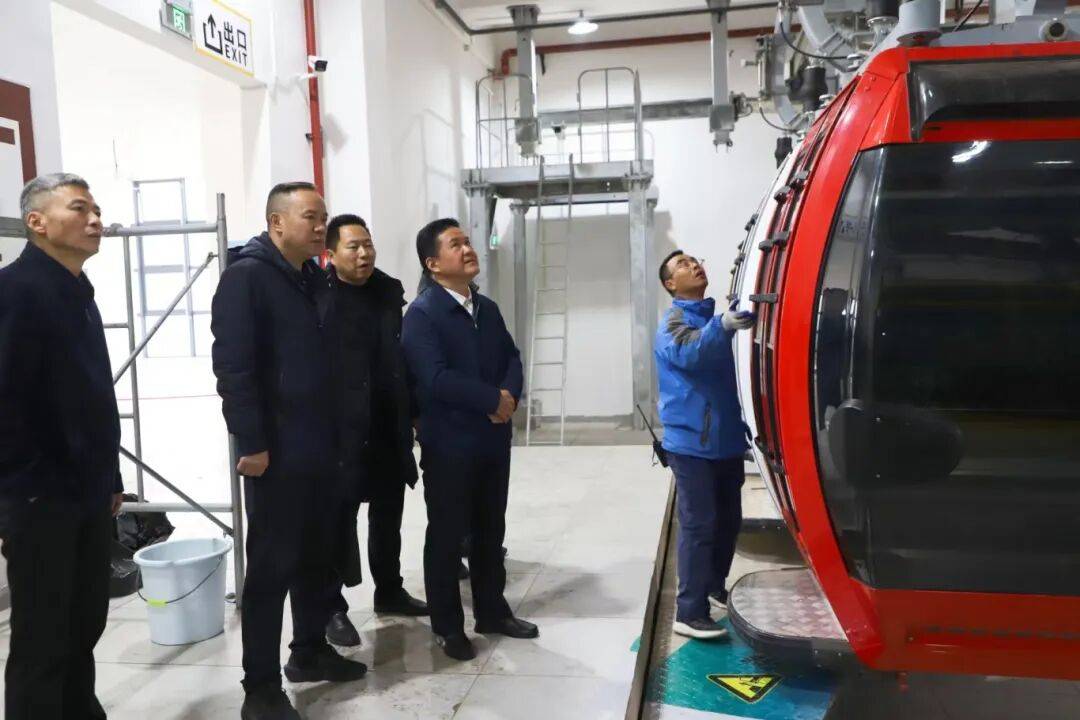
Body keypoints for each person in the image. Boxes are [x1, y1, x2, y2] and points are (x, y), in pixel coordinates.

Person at [211, 182, 366, 720]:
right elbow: (234, 368)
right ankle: (260, 687)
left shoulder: (311, 278)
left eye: (323, 216)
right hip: (277, 452)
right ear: (276, 222)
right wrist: (251, 442)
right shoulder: (246, 278)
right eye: (310, 217)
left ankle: (309, 652)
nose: (321, 226)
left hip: (321, 447)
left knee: (317, 559)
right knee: (271, 570)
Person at [0, 173, 123, 720]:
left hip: (87, 492)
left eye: (96, 210)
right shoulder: (14, 292)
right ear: (37, 222)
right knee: (43, 637)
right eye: (79, 209)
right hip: (40, 496)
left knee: (83, 622)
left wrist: (110, 478)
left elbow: (92, 399)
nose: (95, 220)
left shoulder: (77, 291)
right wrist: (18, 494)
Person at [402, 218, 538, 661]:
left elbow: (512, 357)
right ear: (433, 263)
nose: (467, 249)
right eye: (455, 244)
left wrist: (509, 395)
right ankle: (447, 626)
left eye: (467, 241)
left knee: (490, 529)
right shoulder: (422, 314)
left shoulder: (487, 309)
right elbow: (434, 378)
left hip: (492, 439)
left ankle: (492, 610)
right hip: (450, 442)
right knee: (446, 535)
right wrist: (491, 400)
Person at [322, 213, 428, 648]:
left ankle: (390, 590)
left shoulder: (388, 292)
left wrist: (411, 413)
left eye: (368, 245)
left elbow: (403, 358)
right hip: (341, 431)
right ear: (331, 254)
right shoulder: (318, 298)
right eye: (353, 247)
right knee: (338, 522)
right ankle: (332, 608)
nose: (364, 253)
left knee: (388, 515)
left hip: (386, 423)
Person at [655, 250, 754, 640]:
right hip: (690, 443)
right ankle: (689, 611)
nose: (694, 265)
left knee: (728, 520)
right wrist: (723, 326)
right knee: (699, 524)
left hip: (725, 440)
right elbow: (689, 351)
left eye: (695, 260)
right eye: (682, 265)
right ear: (670, 284)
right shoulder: (674, 322)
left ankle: (713, 588)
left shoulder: (711, 319)